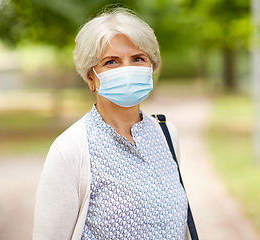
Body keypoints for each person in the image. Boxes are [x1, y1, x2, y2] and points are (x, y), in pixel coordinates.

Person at [33, 7, 191, 240]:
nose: (127, 69)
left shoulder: (166, 134)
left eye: (138, 58)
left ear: (152, 68)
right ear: (91, 77)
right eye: (111, 62)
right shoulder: (70, 149)